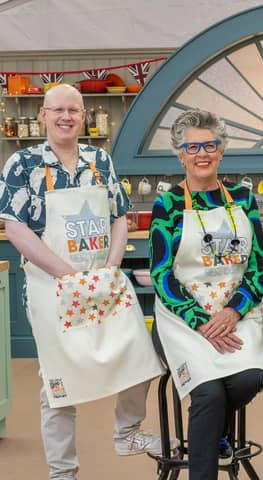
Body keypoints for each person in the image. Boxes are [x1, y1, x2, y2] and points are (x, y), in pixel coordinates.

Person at [0, 84, 168, 480]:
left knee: (139, 353)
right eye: (57, 110)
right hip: (51, 286)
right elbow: (15, 228)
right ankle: (64, 472)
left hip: (103, 279)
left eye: (73, 110)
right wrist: (68, 275)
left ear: (84, 115)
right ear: (42, 114)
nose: (65, 117)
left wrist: (110, 266)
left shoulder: (99, 159)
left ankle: (127, 431)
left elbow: (118, 217)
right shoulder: (21, 163)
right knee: (59, 383)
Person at [150, 109, 263, 480]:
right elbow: (161, 274)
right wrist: (202, 321)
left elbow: (258, 267)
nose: (202, 153)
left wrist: (232, 313)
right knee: (209, 394)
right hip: (183, 319)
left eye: (210, 145)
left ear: (221, 150)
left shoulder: (243, 198)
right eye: (193, 147)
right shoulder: (167, 205)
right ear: (180, 153)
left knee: (249, 378)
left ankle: (213, 432)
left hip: (238, 313)